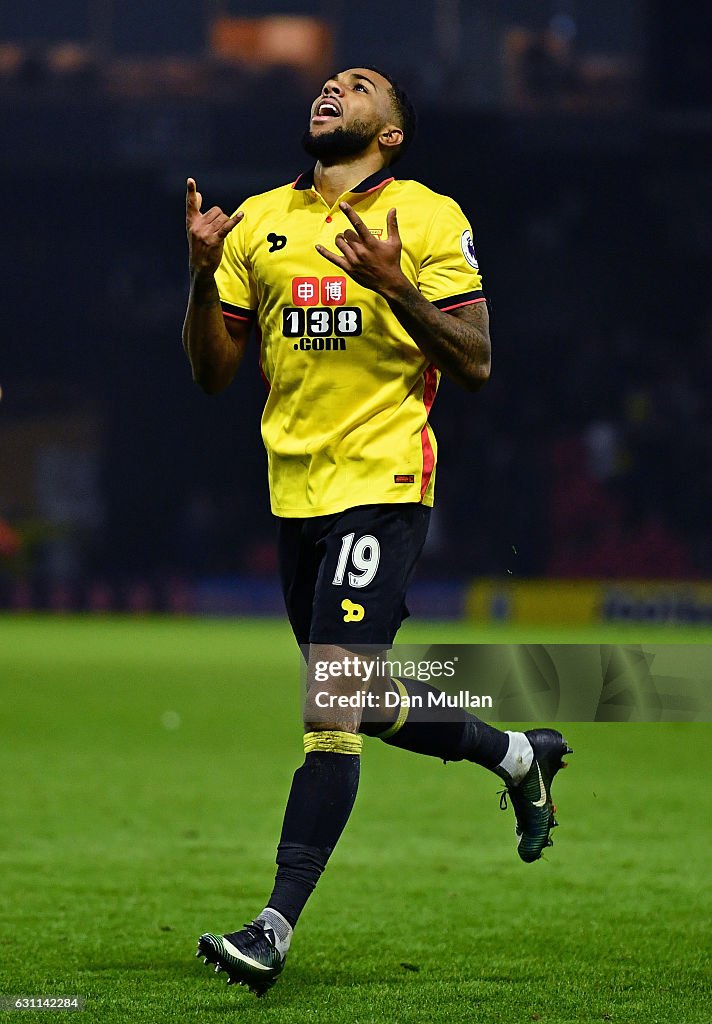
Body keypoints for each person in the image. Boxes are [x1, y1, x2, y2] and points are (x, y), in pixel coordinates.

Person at [183, 66, 572, 996]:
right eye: (326, 84)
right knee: (360, 694)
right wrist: (201, 279)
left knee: (329, 711)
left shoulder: (430, 219)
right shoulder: (255, 226)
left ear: (390, 132)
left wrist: (397, 286)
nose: (332, 89)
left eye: (357, 87)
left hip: (386, 481)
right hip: (296, 494)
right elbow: (211, 374)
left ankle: (272, 927)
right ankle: (520, 756)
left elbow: (474, 361)